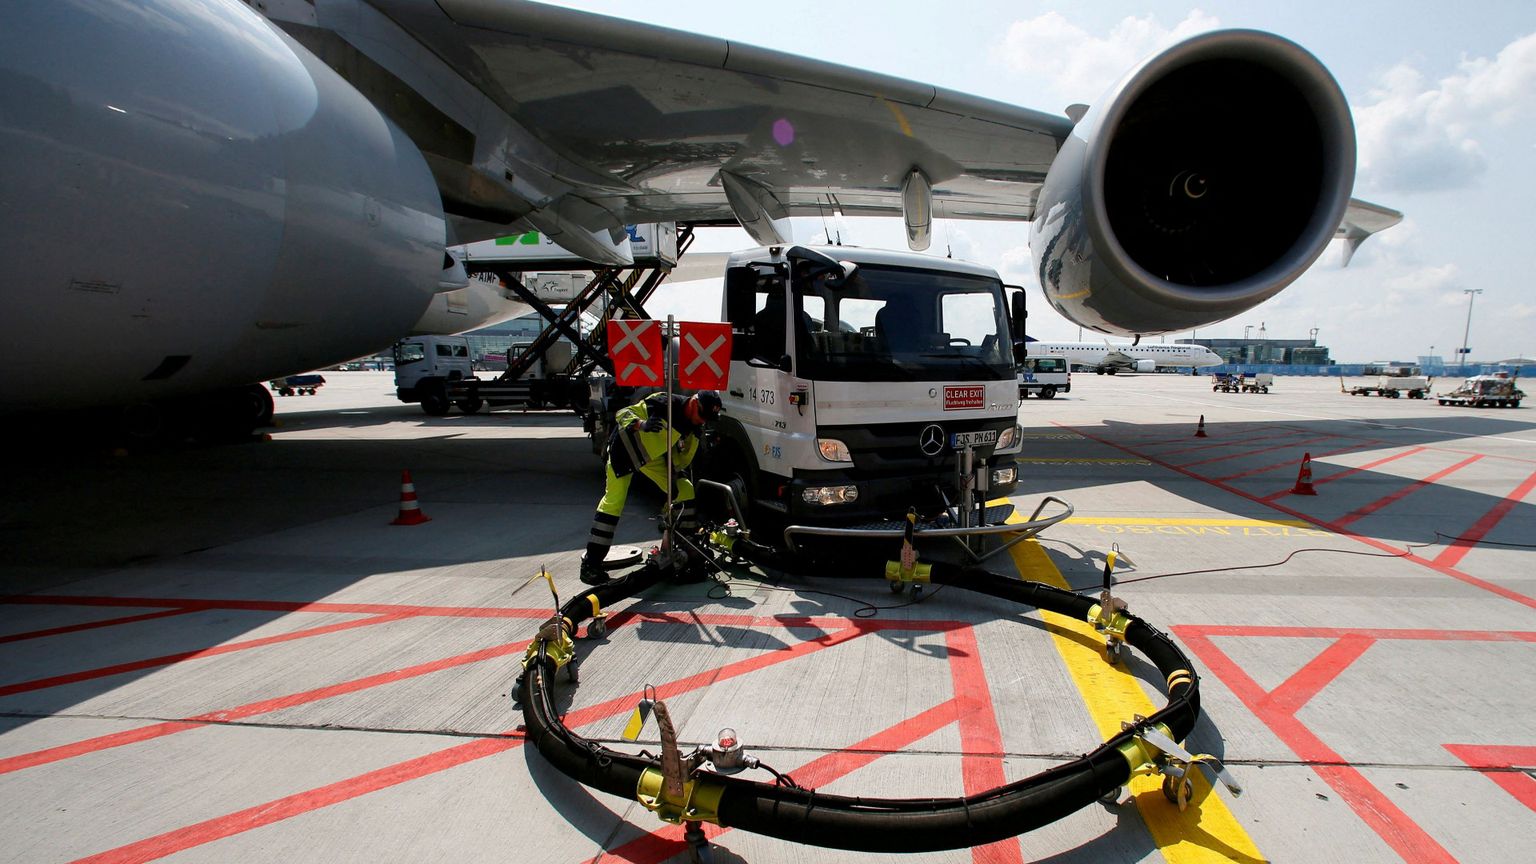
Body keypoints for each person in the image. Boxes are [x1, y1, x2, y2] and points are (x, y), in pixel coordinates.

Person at [580, 390, 724, 585]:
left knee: (684, 489)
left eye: (707, 419)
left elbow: (682, 460)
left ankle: (688, 549)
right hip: (625, 453)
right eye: (702, 415)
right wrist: (641, 425)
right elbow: (622, 414)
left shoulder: (694, 428)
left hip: (651, 458)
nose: (702, 421)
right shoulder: (665, 402)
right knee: (614, 503)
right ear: (693, 403)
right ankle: (591, 564)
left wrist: (675, 474)